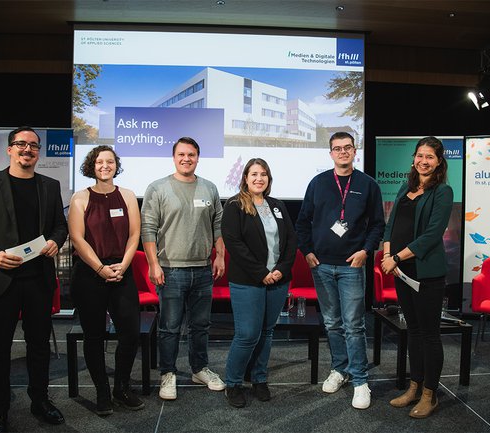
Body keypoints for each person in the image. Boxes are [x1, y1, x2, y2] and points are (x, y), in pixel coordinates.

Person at [0, 126, 68, 432]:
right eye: (21, 144)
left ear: (38, 152)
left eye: (33, 145)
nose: (27, 149)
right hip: (1, 279)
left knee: (38, 346)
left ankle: (40, 400)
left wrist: (56, 241)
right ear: (9, 149)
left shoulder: (49, 185)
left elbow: (60, 225)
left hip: (38, 280)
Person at [296, 131, 384, 410]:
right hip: (321, 266)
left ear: (355, 151)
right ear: (330, 153)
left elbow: (377, 225)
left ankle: (360, 380)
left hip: (351, 266)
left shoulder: (368, 184)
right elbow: (302, 222)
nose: (343, 152)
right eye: (337, 148)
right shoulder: (318, 183)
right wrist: (308, 252)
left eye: (348, 148)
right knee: (332, 323)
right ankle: (340, 369)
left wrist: (365, 251)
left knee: (354, 325)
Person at [141, 136, 226, 401]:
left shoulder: (209, 188)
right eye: (181, 154)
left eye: (191, 154)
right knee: (170, 327)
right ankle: (168, 373)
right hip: (170, 270)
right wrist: (154, 264)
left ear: (198, 157)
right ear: (174, 157)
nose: (186, 159)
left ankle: (199, 369)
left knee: (200, 325)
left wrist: (220, 256)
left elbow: (218, 227)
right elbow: (148, 230)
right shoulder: (158, 188)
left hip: (202, 270)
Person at [380, 136, 453, 419]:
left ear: (438, 162)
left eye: (430, 157)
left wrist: (396, 258)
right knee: (413, 330)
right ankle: (414, 386)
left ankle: (429, 394)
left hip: (426, 274)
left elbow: (431, 236)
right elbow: (392, 225)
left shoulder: (442, 192)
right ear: (414, 158)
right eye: (420, 155)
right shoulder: (404, 186)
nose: (424, 161)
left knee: (430, 335)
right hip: (402, 272)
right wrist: (388, 253)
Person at [68, 145, 144, 416]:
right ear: (92, 166)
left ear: (116, 165)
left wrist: (123, 265)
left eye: (109, 161)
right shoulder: (80, 198)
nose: (104, 166)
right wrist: (101, 268)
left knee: (131, 333)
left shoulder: (128, 196)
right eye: (99, 162)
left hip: (122, 272)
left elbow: (135, 234)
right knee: (94, 336)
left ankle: (121, 388)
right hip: (90, 274)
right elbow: (77, 238)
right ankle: (102, 391)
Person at [221, 158, 297, 408]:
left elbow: (290, 241)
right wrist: (261, 272)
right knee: (247, 334)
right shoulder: (234, 206)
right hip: (248, 281)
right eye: (253, 174)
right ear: (245, 177)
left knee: (267, 331)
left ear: (269, 178)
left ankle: (259, 378)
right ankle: (232, 383)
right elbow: (234, 244)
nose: (258, 179)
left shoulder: (276, 205)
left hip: (277, 280)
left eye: (263, 174)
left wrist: (280, 270)